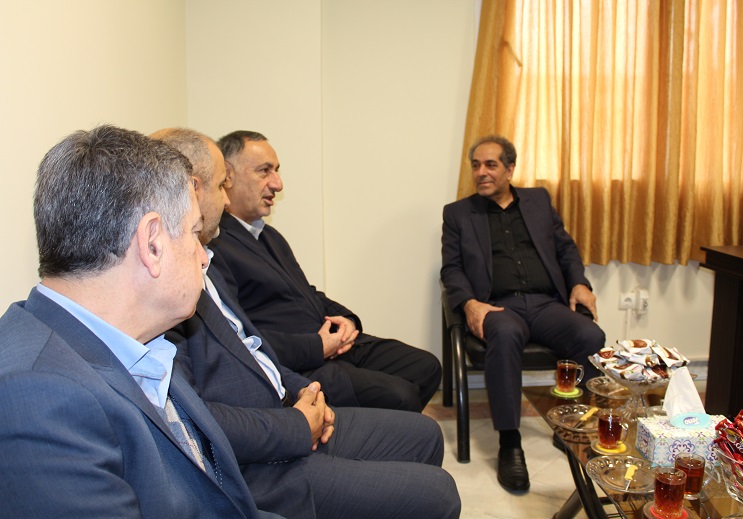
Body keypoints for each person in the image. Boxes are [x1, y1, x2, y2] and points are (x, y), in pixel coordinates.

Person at [154, 128, 461, 519]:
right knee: (437, 489)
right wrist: (300, 419)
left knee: (427, 426)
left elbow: (258, 341)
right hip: (265, 459)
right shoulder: (174, 283)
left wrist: (308, 384)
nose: (226, 197)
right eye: (221, 185)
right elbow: (198, 417)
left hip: (290, 394)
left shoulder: (250, 245)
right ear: (193, 190)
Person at [0, 125, 276, 518]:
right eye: (195, 233)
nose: (203, 257)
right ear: (152, 244)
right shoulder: (38, 399)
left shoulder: (140, 342)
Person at [208, 130, 441, 412]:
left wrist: (348, 321)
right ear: (228, 176)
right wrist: (317, 346)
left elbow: (306, 293)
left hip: (332, 346)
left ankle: (383, 429)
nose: (278, 184)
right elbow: (241, 337)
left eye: (277, 171)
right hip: (300, 364)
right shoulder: (215, 245)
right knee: (400, 395)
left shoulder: (269, 236)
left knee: (426, 367)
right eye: (264, 171)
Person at [441, 135, 606, 492]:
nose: (481, 172)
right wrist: (469, 303)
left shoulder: (538, 200)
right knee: (504, 334)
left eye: (491, 165)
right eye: (476, 165)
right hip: (499, 306)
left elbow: (565, 249)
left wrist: (579, 283)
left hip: (546, 304)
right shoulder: (458, 214)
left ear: (510, 169)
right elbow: (451, 269)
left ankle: (571, 423)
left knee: (591, 336)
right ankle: (510, 442)